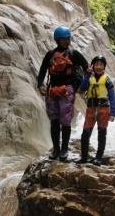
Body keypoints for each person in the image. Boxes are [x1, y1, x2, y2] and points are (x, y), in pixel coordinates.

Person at [37, 26, 88, 161]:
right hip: (52, 90)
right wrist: (40, 85)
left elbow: (86, 67)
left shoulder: (74, 54)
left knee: (65, 121)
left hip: (67, 90)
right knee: (54, 120)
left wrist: (81, 85)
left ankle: (64, 149)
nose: (67, 41)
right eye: (64, 39)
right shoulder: (50, 54)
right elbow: (42, 70)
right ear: (57, 40)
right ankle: (56, 149)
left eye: (68, 38)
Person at [78, 55, 115, 165]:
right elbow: (82, 88)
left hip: (103, 109)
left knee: (101, 133)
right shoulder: (89, 78)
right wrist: (87, 74)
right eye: (97, 64)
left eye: (101, 65)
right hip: (91, 108)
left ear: (104, 67)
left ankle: (98, 157)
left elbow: (112, 97)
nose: (99, 67)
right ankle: (84, 157)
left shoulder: (107, 80)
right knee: (85, 133)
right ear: (93, 66)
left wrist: (112, 113)